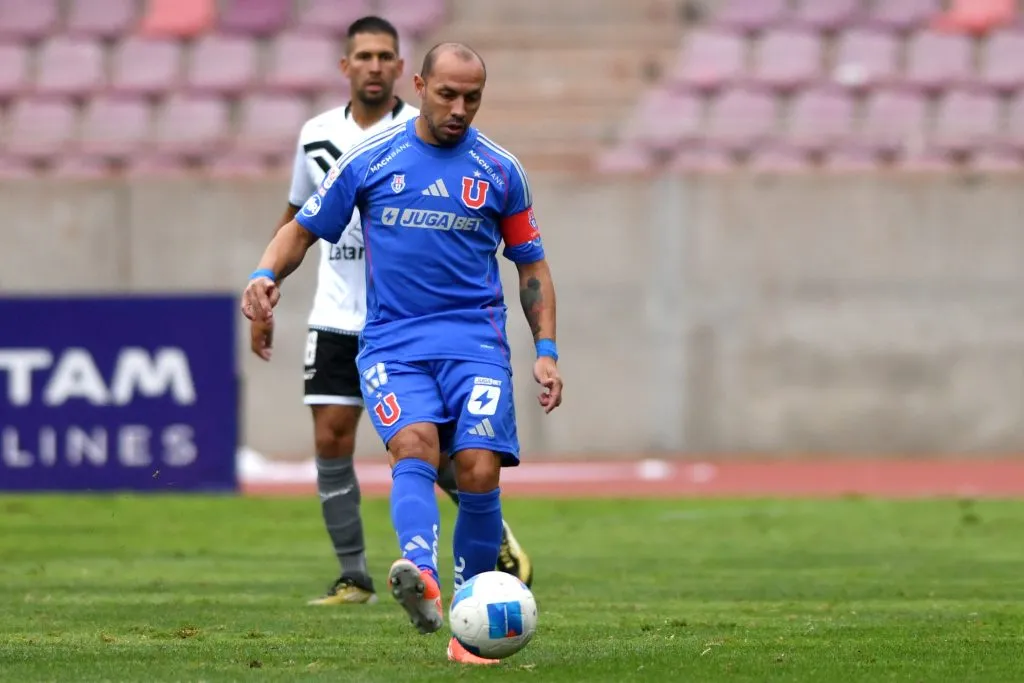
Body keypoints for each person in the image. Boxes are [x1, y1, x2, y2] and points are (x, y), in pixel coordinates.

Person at [242, 42, 562, 665]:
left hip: (476, 345)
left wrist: (545, 350)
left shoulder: (500, 171)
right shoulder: (370, 160)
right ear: (418, 85)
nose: (459, 108)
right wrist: (265, 273)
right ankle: (422, 576)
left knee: (477, 469)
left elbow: (532, 266)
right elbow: (301, 227)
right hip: (394, 344)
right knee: (413, 445)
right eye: (447, 94)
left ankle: (468, 628)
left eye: (472, 98)